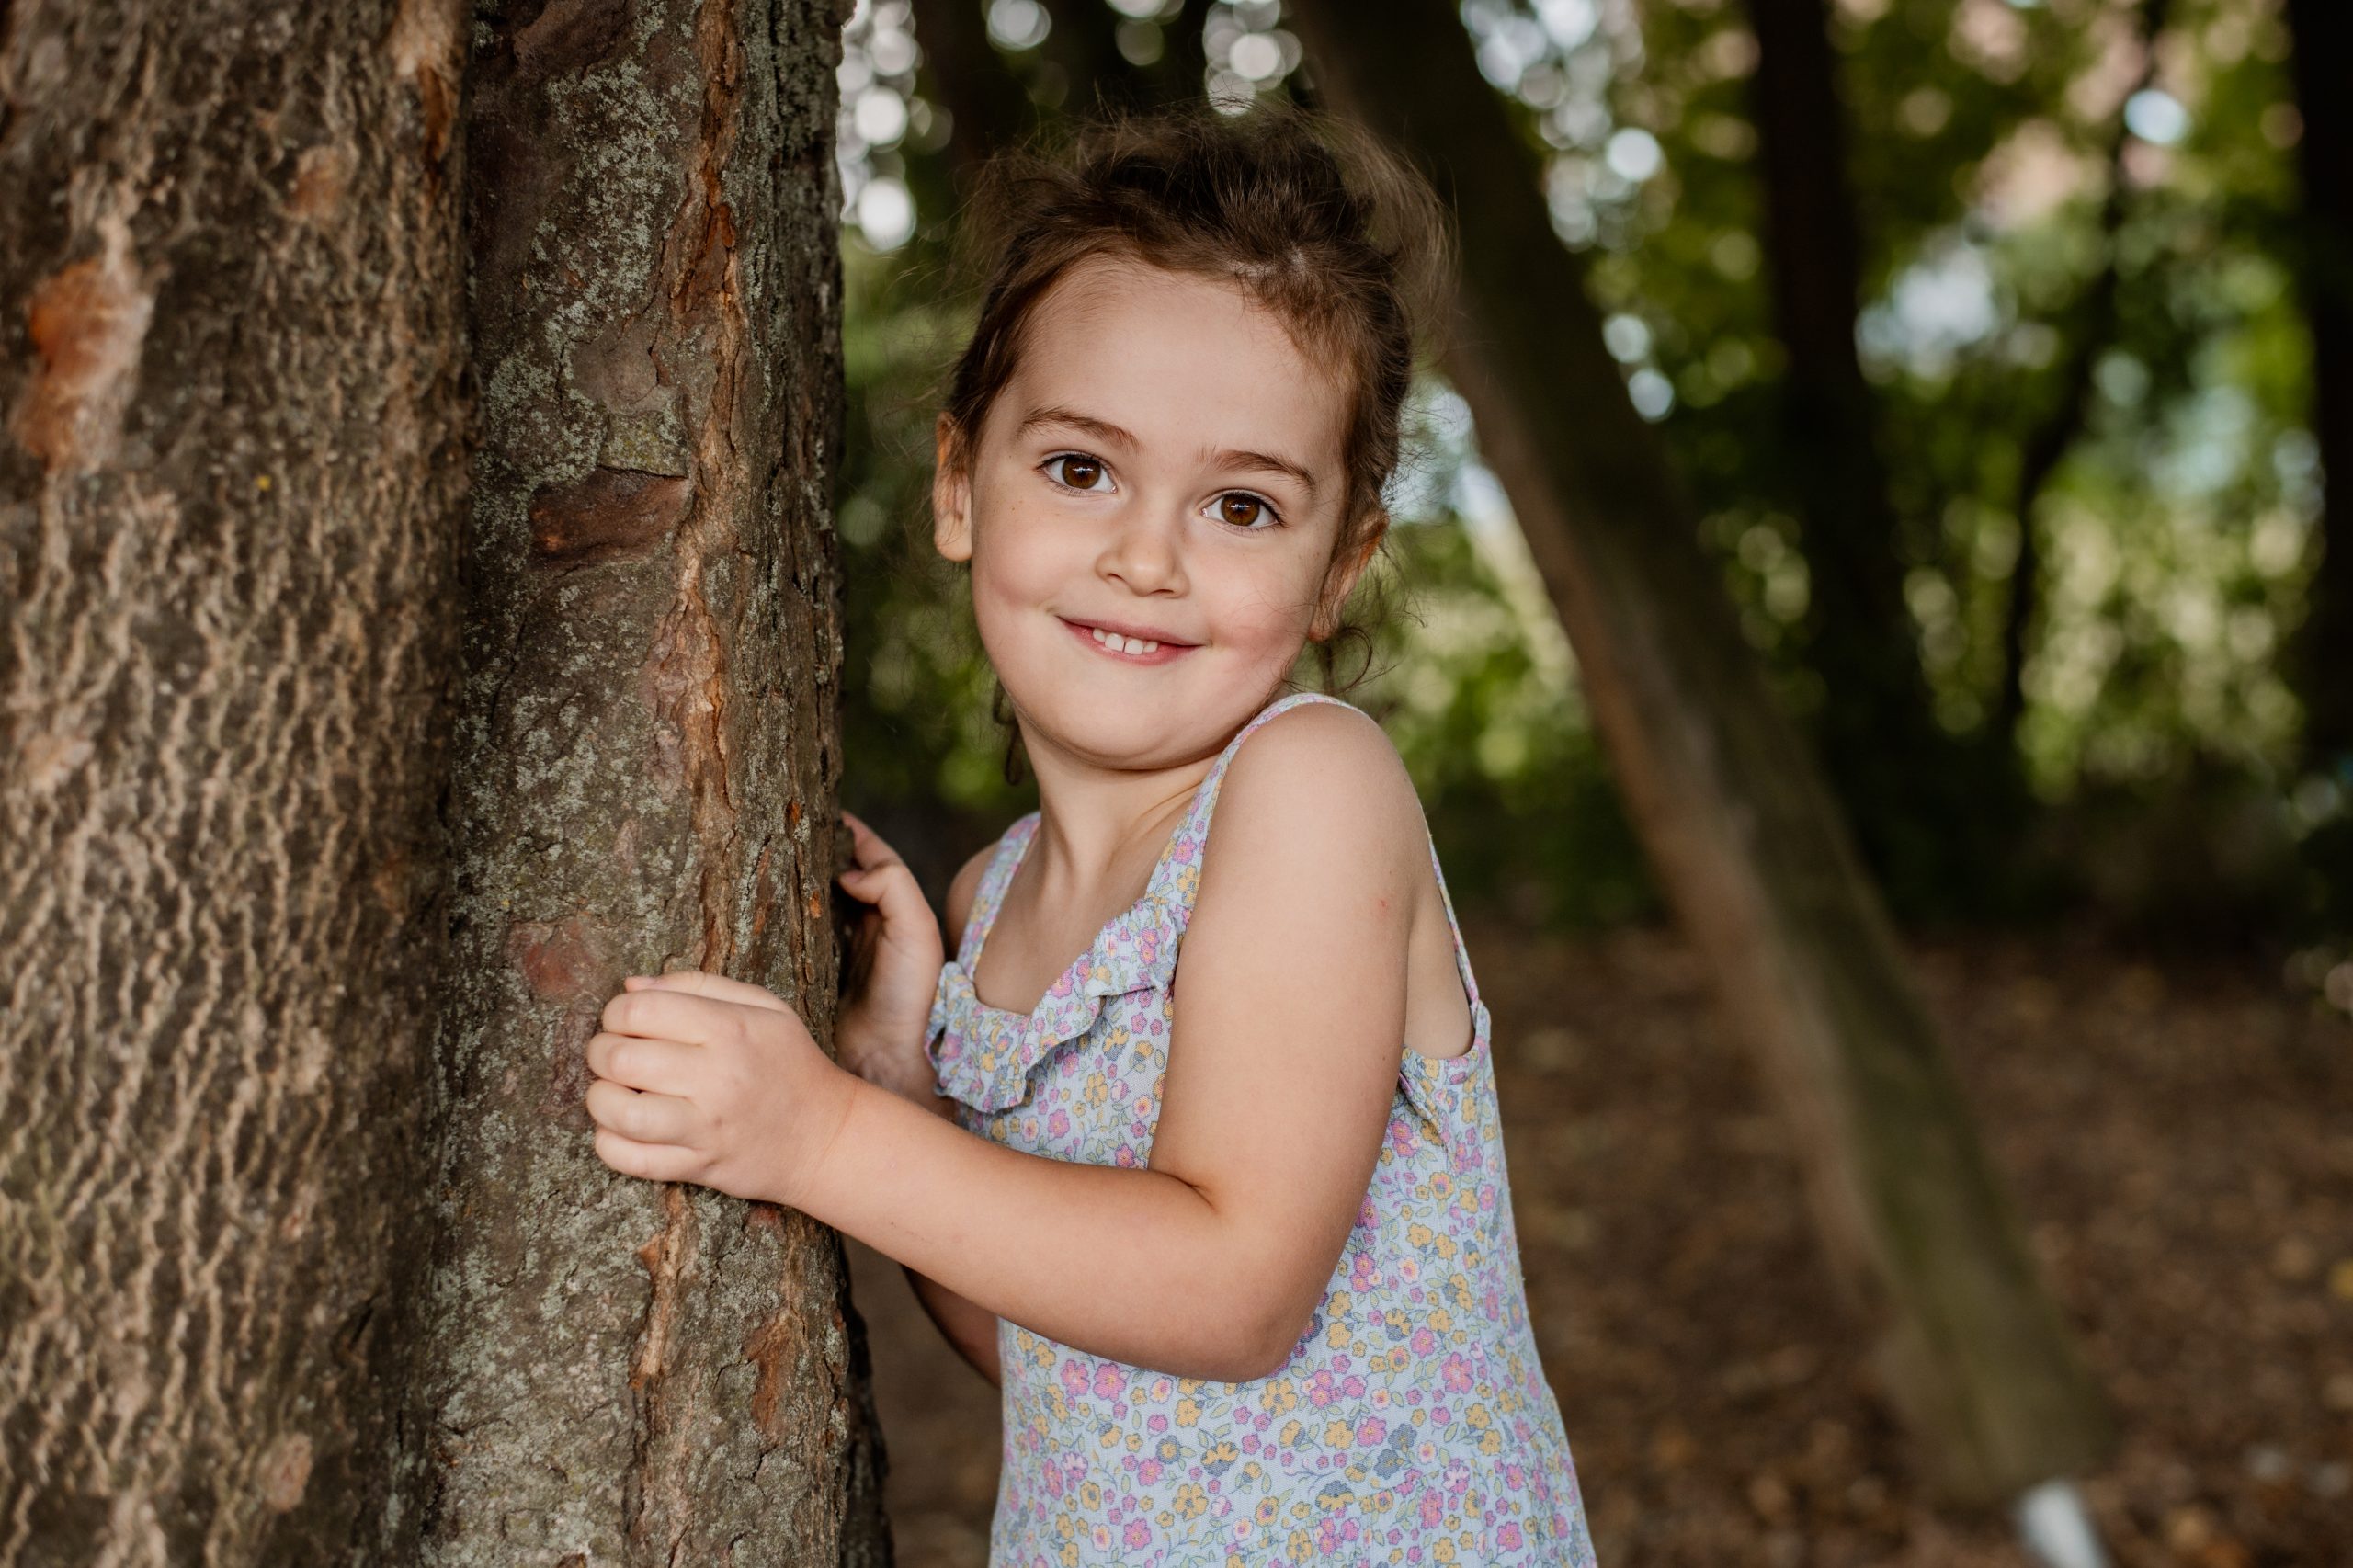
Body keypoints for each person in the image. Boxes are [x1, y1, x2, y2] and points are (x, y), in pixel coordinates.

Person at [582, 101, 1597, 1565]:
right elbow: (1066, 1353)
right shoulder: (994, 899)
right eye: (1079, 468)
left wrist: (822, 1131)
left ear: (1339, 563)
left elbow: (1235, 1289)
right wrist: (901, 1089)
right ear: (956, 485)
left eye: (1242, 504)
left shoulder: (1311, 789)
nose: (1146, 554)